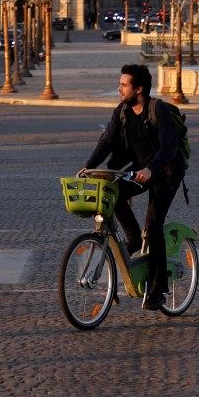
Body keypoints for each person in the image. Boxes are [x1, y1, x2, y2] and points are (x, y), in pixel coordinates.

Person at [79, 64, 187, 311]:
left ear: (138, 89)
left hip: (167, 172)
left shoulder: (157, 110)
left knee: (154, 223)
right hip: (139, 171)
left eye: (123, 85)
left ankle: (158, 289)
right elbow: (106, 141)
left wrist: (152, 170)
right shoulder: (123, 111)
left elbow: (169, 148)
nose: (119, 88)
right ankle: (134, 239)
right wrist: (88, 167)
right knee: (114, 195)